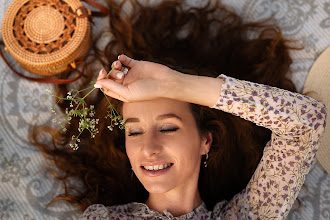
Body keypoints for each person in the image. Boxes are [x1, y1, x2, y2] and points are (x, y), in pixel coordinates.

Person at [30, 0, 327, 219]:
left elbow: (306, 122)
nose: (148, 148)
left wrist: (175, 84)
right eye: (133, 131)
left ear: (205, 141)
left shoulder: (249, 214)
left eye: (168, 127)